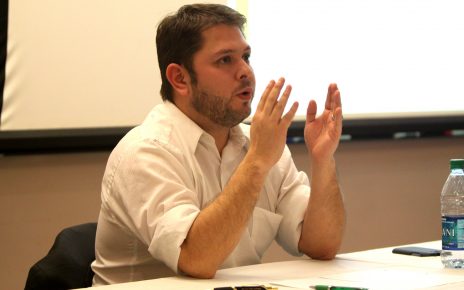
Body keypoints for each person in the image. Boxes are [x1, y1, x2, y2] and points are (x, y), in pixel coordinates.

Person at [91, 3, 345, 286]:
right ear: (180, 78)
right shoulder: (145, 152)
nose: (245, 72)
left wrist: (323, 161)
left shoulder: (256, 143)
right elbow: (196, 259)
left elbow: (322, 245)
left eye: (246, 57)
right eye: (225, 60)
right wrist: (258, 162)